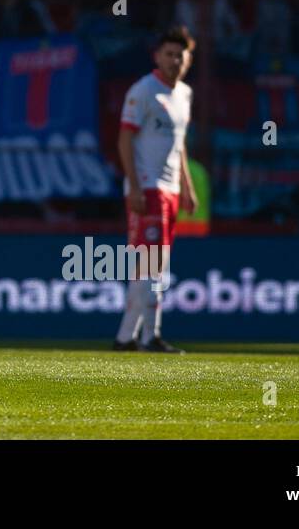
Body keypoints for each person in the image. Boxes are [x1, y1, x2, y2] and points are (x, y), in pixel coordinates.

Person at [113, 25, 198, 354]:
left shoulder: (185, 95)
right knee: (151, 265)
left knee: (153, 267)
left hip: (171, 189)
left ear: (188, 59)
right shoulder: (143, 91)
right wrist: (134, 186)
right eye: (169, 54)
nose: (175, 60)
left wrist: (187, 186)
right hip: (148, 188)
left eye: (181, 55)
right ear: (157, 57)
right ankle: (151, 336)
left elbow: (180, 145)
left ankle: (125, 338)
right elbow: (124, 139)